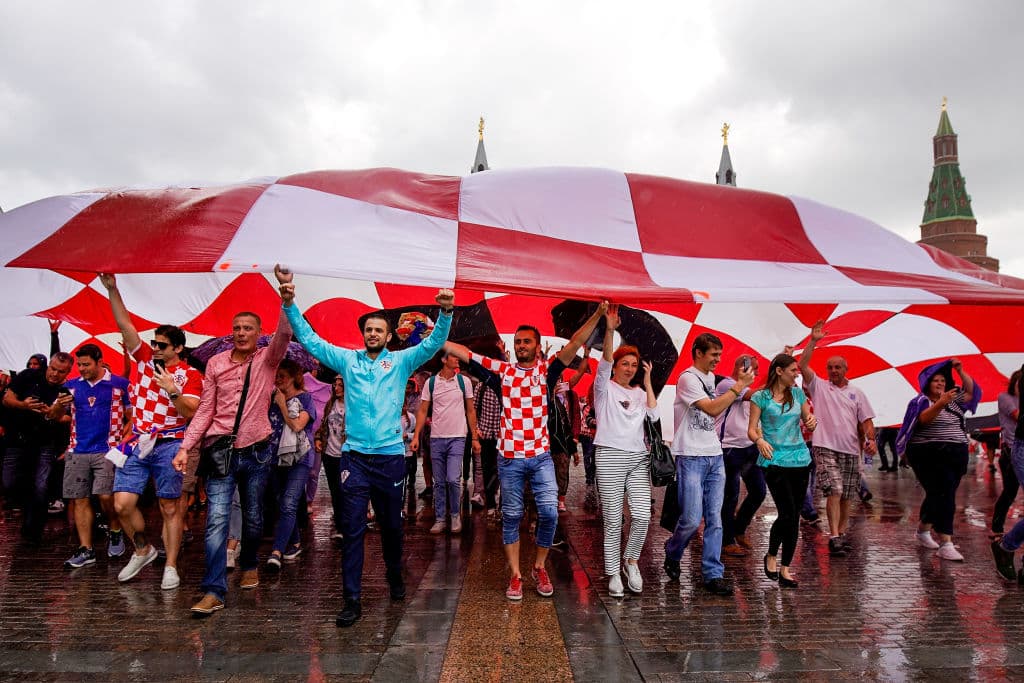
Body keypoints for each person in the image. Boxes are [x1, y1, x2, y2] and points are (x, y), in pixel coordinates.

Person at [276, 265, 454, 627]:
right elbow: (310, 340)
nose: (373, 333)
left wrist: (446, 313)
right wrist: (291, 304)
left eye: (379, 330)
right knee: (352, 528)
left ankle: (394, 573)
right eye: (368, 329)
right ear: (364, 335)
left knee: (391, 527)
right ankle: (351, 599)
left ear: (388, 336)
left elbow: (434, 343)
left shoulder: (402, 361)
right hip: (353, 459)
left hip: (390, 459)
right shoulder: (348, 359)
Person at [444, 302, 607, 600]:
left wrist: (597, 315)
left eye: (527, 341)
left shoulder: (548, 370)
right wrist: (433, 333)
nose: (521, 346)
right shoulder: (500, 372)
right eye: (517, 341)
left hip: (540, 457)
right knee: (511, 515)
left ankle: (539, 567)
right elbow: (462, 353)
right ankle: (516, 576)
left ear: (537, 346)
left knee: (548, 513)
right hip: (509, 459)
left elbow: (576, 343)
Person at [178, 301, 292, 616]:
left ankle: (250, 562)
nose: (241, 333)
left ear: (258, 334)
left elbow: (284, 332)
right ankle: (213, 590)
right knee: (216, 520)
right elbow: (205, 408)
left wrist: (284, 300)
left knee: (254, 517)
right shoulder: (215, 364)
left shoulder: (268, 360)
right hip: (220, 449)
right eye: (237, 328)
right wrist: (187, 446)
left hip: (256, 450)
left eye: (247, 328)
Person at [99, 273, 203, 590]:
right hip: (138, 442)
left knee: (170, 507)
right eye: (154, 342)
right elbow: (125, 325)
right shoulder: (144, 361)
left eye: (162, 345)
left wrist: (172, 390)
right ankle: (143, 549)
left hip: (171, 444)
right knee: (122, 504)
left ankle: (170, 566)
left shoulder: (190, 375)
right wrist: (113, 289)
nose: (155, 347)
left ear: (179, 349)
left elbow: (190, 413)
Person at [663, 333, 755, 596]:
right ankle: (673, 550)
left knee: (715, 519)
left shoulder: (712, 379)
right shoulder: (687, 378)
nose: (717, 359)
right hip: (690, 456)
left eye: (719, 354)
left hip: (714, 455)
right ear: (698, 353)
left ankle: (713, 573)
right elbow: (712, 409)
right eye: (714, 354)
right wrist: (738, 386)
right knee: (691, 519)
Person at [592, 305, 658, 597]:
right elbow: (604, 361)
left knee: (642, 516)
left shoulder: (640, 393)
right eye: (626, 363)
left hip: (638, 459)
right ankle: (612, 572)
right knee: (613, 519)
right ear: (617, 365)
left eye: (634, 364)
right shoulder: (604, 389)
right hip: (609, 456)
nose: (630, 368)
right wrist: (609, 329)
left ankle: (631, 561)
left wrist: (647, 383)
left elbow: (654, 419)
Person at [798, 320, 877, 557]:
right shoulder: (820, 387)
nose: (833, 371)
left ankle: (840, 533)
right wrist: (813, 341)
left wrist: (870, 440)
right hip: (824, 447)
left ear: (846, 369)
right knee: (834, 489)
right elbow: (802, 365)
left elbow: (867, 420)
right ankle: (833, 536)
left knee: (847, 495)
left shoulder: (857, 393)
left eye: (837, 367)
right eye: (830, 367)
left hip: (851, 450)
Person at [895, 358, 978, 561]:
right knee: (944, 494)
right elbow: (923, 420)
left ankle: (923, 530)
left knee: (940, 494)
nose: (940, 384)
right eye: (935, 381)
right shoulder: (921, 401)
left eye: (942, 380)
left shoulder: (955, 401)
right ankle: (946, 542)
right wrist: (940, 403)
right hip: (928, 454)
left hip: (956, 453)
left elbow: (971, 392)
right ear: (927, 383)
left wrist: (960, 370)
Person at [748, 354, 817, 589]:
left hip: (800, 459)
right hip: (774, 459)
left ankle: (786, 567)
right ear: (779, 371)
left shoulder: (798, 394)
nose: (796, 374)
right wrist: (759, 441)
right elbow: (751, 429)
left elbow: (808, 417)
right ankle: (770, 554)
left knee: (794, 514)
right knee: (786, 511)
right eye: (792, 370)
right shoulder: (761, 397)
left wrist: (811, 422)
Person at [60, 344, 130, 568]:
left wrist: (124, 441)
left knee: (106, 496)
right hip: (77, 450)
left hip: (107, 449)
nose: (81, 368)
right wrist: (57, 407)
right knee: (79, 499)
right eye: (79, 364)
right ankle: (86, 549)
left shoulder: (119, 384)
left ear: (99, 361)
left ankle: (115, 529)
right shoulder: (70, 387)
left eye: (86, 364)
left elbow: (133, 416)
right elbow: (54, 415)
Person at [1, 353, 74, 544]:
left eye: (61, 372)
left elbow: (70, 418)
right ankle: (28, 514)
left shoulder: (66, 390)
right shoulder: (28, 376)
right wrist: (23, 405)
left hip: (45, 442)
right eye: (53, 369)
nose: (55, 374)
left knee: (40, 486)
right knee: (9, 483)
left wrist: (53, 413)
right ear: (48, 366)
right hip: (17, 440)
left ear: (68, 372)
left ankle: (34, 529)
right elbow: (7, 399)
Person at [412, 352, 479, 534]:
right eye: (454, 356)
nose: (458, 359)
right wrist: (416, 435)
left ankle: (455, 515)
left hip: (458, 436)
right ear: (444, 359)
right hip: (437, 437)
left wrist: (474, 437)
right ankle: (440, 518)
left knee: (453, 479)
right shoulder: (431, 383)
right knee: (439, 482)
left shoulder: (463, 382)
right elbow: (423, 409)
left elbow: (471, 410)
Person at [265, 359, 317, 571]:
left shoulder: (305, 399)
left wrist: (282, 406)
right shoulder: (270, 399)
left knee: (288, 502)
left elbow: (297, 425)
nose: (278, 380)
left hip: (299, 458)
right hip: (275, 458)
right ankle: (295, 543)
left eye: (282, 376)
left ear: (294, 377)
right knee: (282, 502)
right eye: (276, 376)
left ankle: (277, 551)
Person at [717, 354, 765, 558]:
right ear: (738, 367)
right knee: (730, 496)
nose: (751, 372)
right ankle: (727, 540)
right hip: (729, 448)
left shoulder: (748, 389)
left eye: (755, 369)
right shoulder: (727, 384)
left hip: (749, 447)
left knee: (759, 491)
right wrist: (776, 379)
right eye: (748, 367)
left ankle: (738, 528)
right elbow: (753, 395)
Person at [990, 367, 1024, 581]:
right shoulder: (1006, 396)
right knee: (1008, 493)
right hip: (1018, 447)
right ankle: (1005, 545)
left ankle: (1007, 546)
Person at [314, 375, 346, 542]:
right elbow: (323, 424)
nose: (336, 388)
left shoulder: (354, 406)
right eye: (335, 384)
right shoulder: (330, 404)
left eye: (341, 385)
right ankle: (340, 526)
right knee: (335, 491)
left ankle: (348, 525)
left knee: (345, 490)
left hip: (346, 455)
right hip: (329, 453)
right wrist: (318, 438)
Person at [992, 371, 1021, 536]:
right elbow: (1018, 416)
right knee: (1010, 492)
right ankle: (997, 528)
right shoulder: (1005, 397)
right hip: (1010, 451)